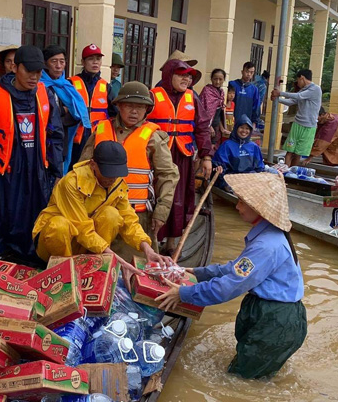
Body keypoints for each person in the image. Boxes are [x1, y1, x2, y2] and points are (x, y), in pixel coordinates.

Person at [156, 172, 307, 379]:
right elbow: (236, 269)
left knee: (240, 379)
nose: (237, 206)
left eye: (242, 202)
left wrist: (184, 294)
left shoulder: (265, 245)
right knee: (255, 372)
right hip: (273, 314)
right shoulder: (268, 236)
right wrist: (199, 273)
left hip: (276, 319)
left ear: (259, 209)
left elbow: (228, 286)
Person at [0, 45, 64, 262]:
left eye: (39, 72)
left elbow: (56, 137)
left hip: (37, 173)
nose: (34, 77)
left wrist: (57, 175)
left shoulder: (45, 94)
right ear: (15, 67)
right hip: (5, 176)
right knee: (1, 226)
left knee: (36, 225)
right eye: (29, 71)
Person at [33, 141, 173, 274]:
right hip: (55, 241)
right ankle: (63, 271)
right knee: (59, 225)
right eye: (107, 172)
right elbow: (82, 228)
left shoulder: (117, 183)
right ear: (93, 164)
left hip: (88, 244)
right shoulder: (71, 182)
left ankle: (96, 265)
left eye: (115, 173)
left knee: (111, 214)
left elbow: (129, 220)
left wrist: (148, 249)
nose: (111, 178)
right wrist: (114, 258)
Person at [80, 81, 179, 257]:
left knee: (136, 266)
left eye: (140, 107)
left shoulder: (153, 137)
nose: (134, 111)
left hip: (136, 215)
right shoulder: (101, 130)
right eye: (129, 106)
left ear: (147, 110)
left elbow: (168, 175)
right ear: (118, 106)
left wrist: (161, 211)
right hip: (98, 212)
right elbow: (82, 169)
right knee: (95, 262)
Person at [147, 60, 214, 254]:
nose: (186, 79)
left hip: (182, 155)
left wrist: (206, 156)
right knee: (157, 195)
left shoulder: (192, 97)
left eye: (189, 76)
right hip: (157, 155)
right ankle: (153, 241)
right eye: (181, 74)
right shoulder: (153, 95)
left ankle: (171, 243)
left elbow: (202, 128)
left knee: (179, 198)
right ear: (169, 76)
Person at [41, 44, 91, 174]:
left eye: (62, 61)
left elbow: (76, 115)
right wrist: (64, 111)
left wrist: (61, 113)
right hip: (45, 140)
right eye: (54, 61)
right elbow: (45, 115)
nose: (58, 66)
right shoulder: (40, 86)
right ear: (46, 64)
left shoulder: (67, 86)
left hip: (64, 140)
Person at [68, 44, 117, 167]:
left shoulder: (106, 86)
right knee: (74, 170)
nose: (95, 62)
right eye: (91, 59)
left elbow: (115, 113)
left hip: (98, 137)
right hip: (75, 138)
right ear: (83, 62)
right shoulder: (71, 83)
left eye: (98, 59)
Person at [271, 69, 322, 167]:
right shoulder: (303, 90)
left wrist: (280, 93)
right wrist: (277, 99)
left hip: (309, 127)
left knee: (298, 152)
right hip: (297, 124)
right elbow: (291, 101)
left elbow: (299, 96)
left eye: (298, 80)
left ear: (302, 78)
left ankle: (292, 172)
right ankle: (285, 171)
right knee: (289, 151)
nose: (297, 83)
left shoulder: (315, 89)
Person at [213, 115, 265, 189]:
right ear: (236, 128)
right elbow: (219, 165)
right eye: (241, 127)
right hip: (232, 178)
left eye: (247, 128)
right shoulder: (227, 145)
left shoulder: (254, 146)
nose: (244, 131)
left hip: (250, 178)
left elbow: (259, 167)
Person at [199, 69, 228, 151]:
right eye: (215, 79)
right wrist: (209, 126)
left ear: (224, 80)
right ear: (211, 79)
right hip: (206, 128)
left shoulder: (221, 92)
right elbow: (202, 112)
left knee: (215, 150)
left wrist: (222, 129)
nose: (218, 82)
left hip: (216, 129)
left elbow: (218, 113)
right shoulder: (206, 91)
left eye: (220, 79)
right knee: (204, 152)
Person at [228, 62, 261, 129]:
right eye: (247, 71)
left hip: (246, 124)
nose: (248, 74)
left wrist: (254, 123)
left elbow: (256, 107)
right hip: (230, 121)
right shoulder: (232, 84)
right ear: (242, 72)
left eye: (251, 72)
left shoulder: (254, 89)